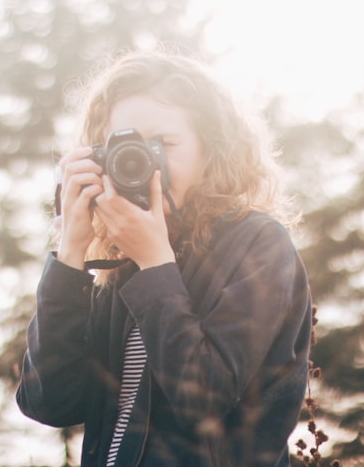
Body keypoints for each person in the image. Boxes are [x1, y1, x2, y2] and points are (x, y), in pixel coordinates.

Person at [16, 50, 312, 466]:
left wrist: (156, 265)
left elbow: (204, 400)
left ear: (211, 150)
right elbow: (49, 402)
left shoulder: (258, 244)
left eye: (163, 144)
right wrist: (70, 255)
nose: (144, 160)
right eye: (127, 145)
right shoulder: (123, 266)